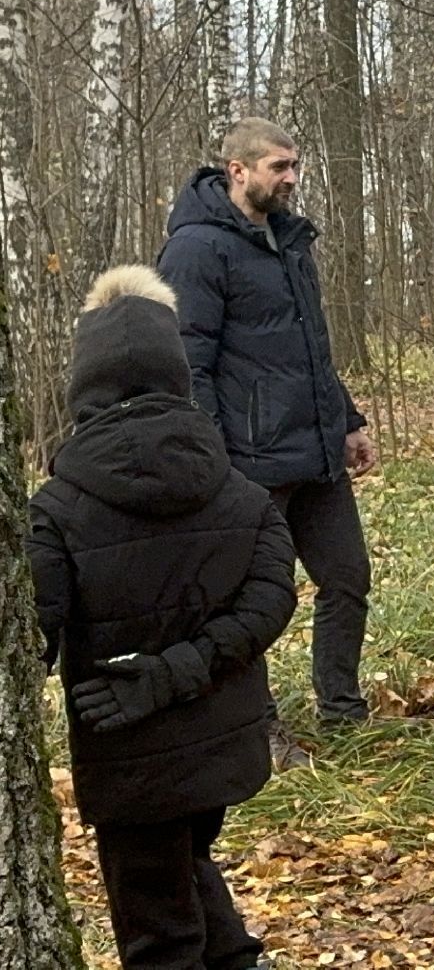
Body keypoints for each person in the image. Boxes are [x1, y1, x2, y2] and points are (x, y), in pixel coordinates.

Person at [29, 265, 296, 970]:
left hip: (130, 765)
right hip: (222, 755)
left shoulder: (54, 512)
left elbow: (29, 636)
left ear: (84, 383)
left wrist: (160, 675)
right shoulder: (242, 494)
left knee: (159, 941)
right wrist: (191, 667)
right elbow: (271, 601)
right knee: (187, 862)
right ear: (177, 373)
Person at [158, 117, 376, 769]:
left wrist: (349, 420)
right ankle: (260, 730)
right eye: (278, 167)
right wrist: (212, 458)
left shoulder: (290, 241)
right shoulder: (196, 249)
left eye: (294, 166)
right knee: (256, 602)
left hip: (314, 454)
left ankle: (342, 711)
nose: (290, 178)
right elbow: (187, 362)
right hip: (248, 463)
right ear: (238, 170)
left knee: (347, 579)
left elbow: (310, 348)